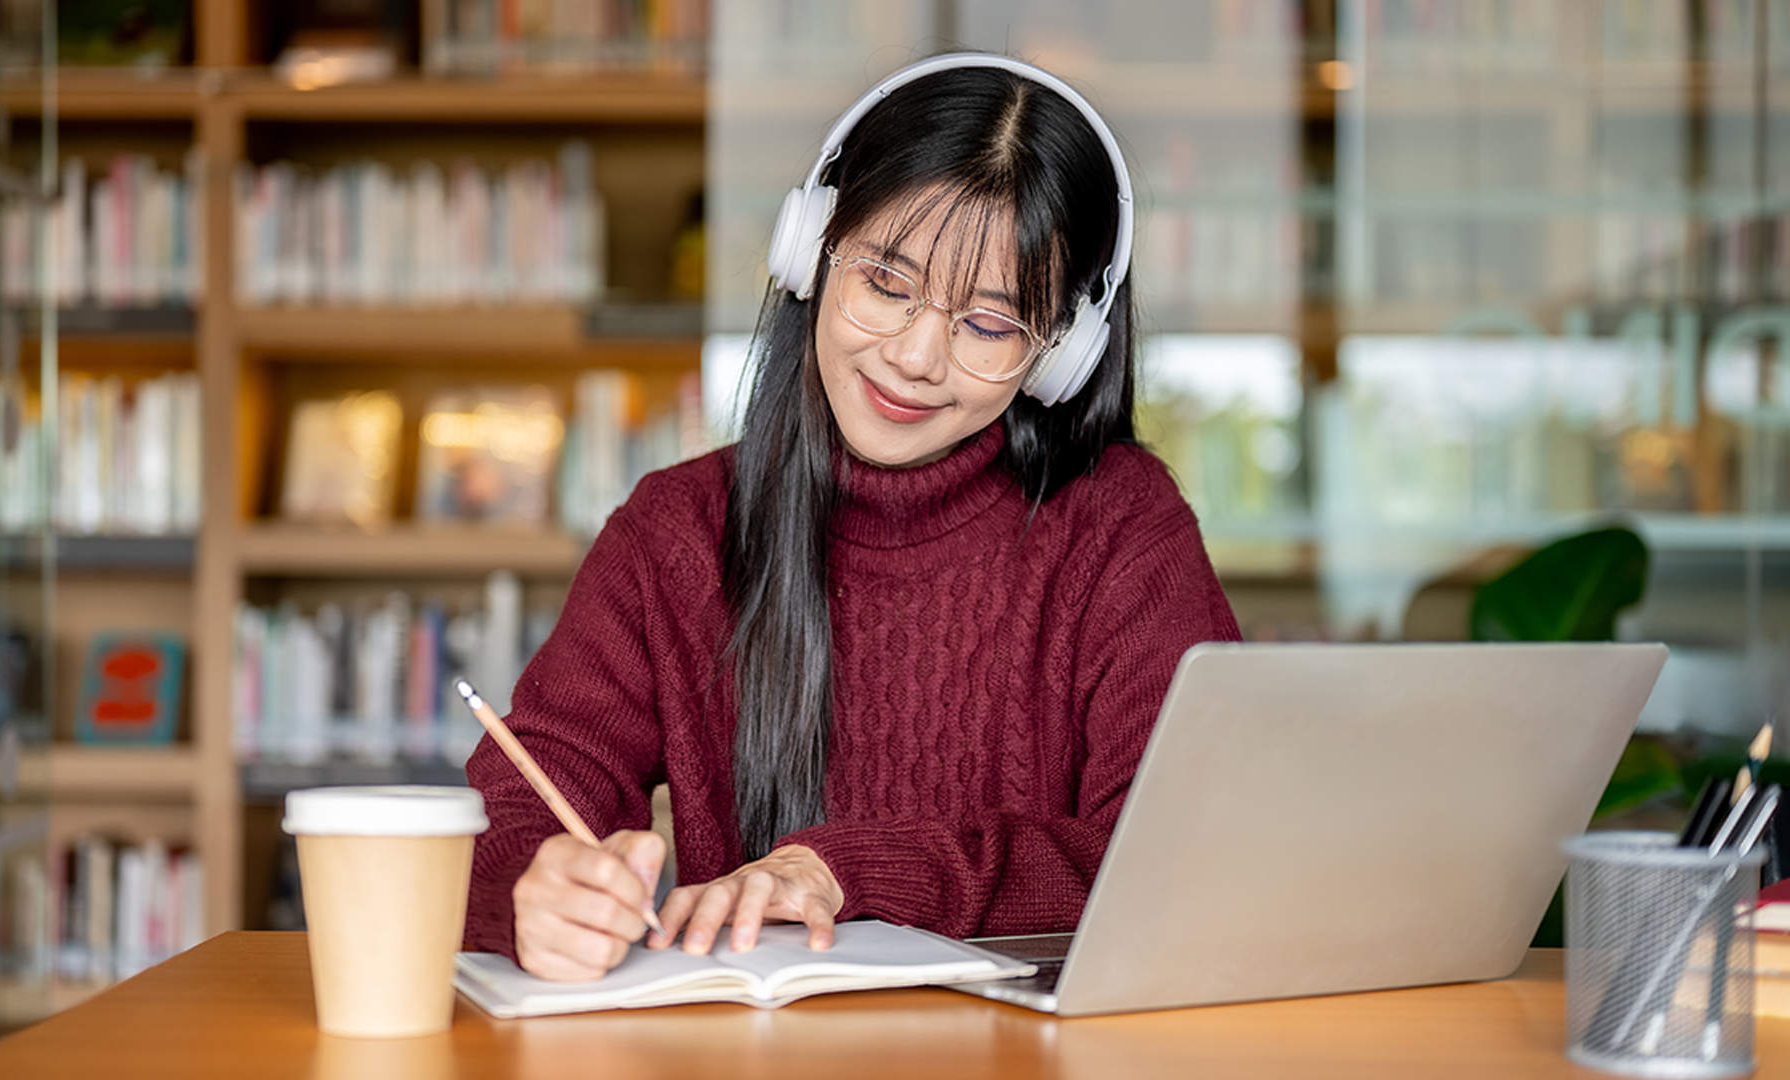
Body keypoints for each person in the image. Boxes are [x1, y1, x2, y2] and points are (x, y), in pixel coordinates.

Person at [464, 53, 1241, 981]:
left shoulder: (1121, 529)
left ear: (1060, 352)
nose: (915, 356)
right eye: (886, 281)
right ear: (811, 251)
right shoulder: (674, 533)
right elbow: (516, 813)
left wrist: (854, 870)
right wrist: (532, 887)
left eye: (990, 326)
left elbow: (1185, 857)